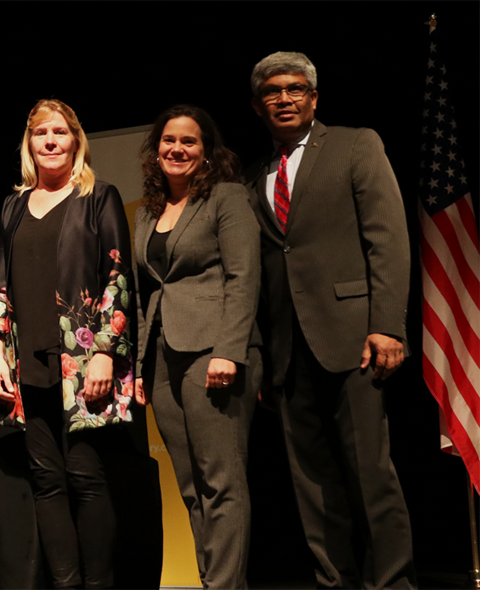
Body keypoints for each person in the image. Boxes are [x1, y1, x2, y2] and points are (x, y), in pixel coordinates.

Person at [245, 51, 415, 589]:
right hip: (288, 355)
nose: (284, 98)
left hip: (354, 340)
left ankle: (393, 584)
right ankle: (333, 583)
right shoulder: (255, 178)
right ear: (258, 106)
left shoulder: (354, 144)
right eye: (273, 91)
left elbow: (387, 237)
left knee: (372, 477)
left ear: (314, 98)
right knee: (313, 487)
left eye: (295, 89)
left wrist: (387, 324)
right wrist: (265, 360)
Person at [0, 99, 137, 590]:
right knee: (46, 482)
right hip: (24, 365)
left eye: (60, 132)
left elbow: (118, 278)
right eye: (40, 134)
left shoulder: (100, 196)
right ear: (29, 144)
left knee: (87, 480)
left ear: (76, 140)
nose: (50, 141)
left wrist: (102, 355)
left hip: (83, 365)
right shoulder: (12, 205)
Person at [133, 105, 260, 590]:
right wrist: (142, 366)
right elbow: (149, 293)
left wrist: (230, 349)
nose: (177, 149)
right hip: (164, 356)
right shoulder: (149, 211)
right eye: (169, 140)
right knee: (189, 486)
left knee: (221, 482)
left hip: (213, 350)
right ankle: (213, 581)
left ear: (206, 152)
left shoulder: (226, 198)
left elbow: (244, 275)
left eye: (189, 141)